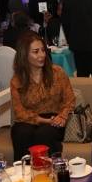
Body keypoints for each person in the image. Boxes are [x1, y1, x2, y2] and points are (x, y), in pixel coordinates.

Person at [10, 32, 75, 161]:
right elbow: (19, 112)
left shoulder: (57, 72)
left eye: (43, 50)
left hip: (54, 118)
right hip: (28, 120)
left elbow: (70, 99)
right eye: (36, 52)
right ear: (24, 55)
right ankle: (24, 171)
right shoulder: (17, 80)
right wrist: (43, 120)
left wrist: (62, 116)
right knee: (20, 133)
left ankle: (48, 169)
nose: (41, 55)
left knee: (44, 134)